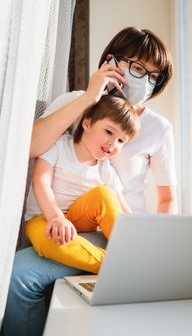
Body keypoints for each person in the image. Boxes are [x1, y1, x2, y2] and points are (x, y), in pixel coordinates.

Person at [2, 27, 176, 336]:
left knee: (106, 198)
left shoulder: (159, 129)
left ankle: (133, 265)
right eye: (138, 68)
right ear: (112, 61)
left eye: (154, 76)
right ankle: (128, 270)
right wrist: (88, 97)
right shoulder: (76, 102)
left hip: (119, 233)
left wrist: (155, 246)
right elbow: (26, 149)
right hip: (65, 223)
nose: (145, 80)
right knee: (18, 277)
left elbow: (166, 200)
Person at [25, 95, 138, 273]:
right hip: (44, 217)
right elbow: (40, 181)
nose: (112, 143)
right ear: (87, 124)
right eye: (109, 132)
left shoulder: (105, 168)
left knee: (104, 194)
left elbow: (122, 208)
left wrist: (141, 234)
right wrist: (56, 217)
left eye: (121, 141)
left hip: (80, 219)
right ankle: (116, 267)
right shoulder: (59, 145)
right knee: (46, 241)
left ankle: (133, 252)